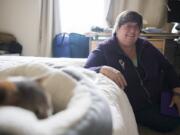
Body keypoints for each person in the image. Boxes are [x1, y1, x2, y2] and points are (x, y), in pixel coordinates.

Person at [84, 10, 180, 132]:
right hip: (137, 106)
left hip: (162, 95)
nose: (133, 31)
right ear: (118, 28)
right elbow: (86, 70)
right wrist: (102, 68)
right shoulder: (104, 49)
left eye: (137, 27)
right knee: (168, 124)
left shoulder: (145, 46)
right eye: (128, 26)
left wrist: (177, 92)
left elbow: (167, 67)